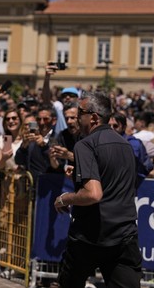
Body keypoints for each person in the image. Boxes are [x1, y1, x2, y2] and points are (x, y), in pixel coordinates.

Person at [54, 91, 142, 287]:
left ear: (93, 117)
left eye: (79, 114)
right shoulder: (125, 145)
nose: (76, 120)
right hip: (124, 235)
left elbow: (93, 193)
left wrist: (64, 198)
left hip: (90, 236)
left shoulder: (85, 144)